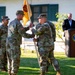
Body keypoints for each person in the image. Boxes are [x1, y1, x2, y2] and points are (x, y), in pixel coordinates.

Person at [6, 10, 34, 75]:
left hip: (8, 43)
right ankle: (14, 73)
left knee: (10, 58)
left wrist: (28, 27)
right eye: (23, 15)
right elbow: (23, 34)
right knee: (15, 59)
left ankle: (9, 71)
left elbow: (19, 30)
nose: (23, 17)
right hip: (14, 43)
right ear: (20, 15)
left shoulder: (12, 22)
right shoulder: (18, 23)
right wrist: (32, 35)